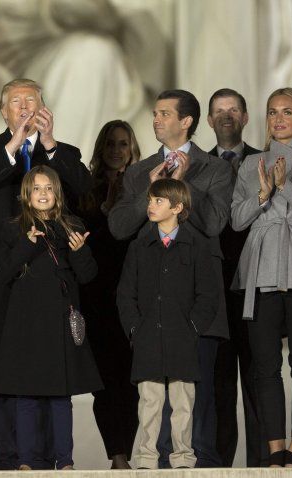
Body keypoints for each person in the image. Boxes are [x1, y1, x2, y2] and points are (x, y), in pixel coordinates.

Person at [0, 78, 92, 470]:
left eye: (30, 101)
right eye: (15, 101)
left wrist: (49, 144)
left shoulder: (61, 153)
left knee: (42, 363)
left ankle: (50, 456)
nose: (23, 106)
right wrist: (14, 145)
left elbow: (82, 189)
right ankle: (2, 457)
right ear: (3, 111)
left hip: (45, 281)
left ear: (44, 108)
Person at [108, 89, 231, 467]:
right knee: (153, 404)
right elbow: (118, 227)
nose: (156, 120)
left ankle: (200, 468)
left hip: (195, 310)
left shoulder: (215, 169)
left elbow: (213, 223)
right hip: (152, 311)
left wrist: (182, 185)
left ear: (187, 121)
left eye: (164, 114)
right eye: (155, 113)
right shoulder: (138, 171)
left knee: (197, 401)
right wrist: (150, 186)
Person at [231, 87, 292, 468]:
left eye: (287, 112)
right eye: (272, 112)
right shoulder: (249, 164)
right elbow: (237, 220)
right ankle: (274, 450)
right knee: (265, 366)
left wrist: (286, 186)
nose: (278, 118)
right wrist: (262, 194)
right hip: (260, 269)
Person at [0, 165, 102, 471]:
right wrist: (27, 244)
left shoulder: (72, 226)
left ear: (58, 193)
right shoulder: (13, 228)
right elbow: (1, 274)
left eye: (48, 188)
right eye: (37, 188)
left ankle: (64, 461)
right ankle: (26, 461)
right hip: (25, 323)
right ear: (26, 195)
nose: (43, 194)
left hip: (59, 322)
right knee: (26, 395)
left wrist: (81, 251)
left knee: (59, 396)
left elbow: (87, 275)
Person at [117, 178, 222, 469]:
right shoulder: (140, 247)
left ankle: (183, 458)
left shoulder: (196, 246)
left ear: (177, 207)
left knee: (183, 403)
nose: (151, 205)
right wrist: (135, 328)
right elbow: (126, 294)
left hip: (182, 338)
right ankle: (147, 459)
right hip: (148, 336)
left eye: (158, 201)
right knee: (149, 403)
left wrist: (193, 327)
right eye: (150, 200)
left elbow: (208, 294)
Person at [205, 88, 266, 467]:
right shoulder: (195, 165)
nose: (226, 116)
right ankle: (219, 469)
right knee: (218, 387)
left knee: (260, 383)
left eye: (234, 109)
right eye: (219, 111)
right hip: (213, 291)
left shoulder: (266, 161)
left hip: (257, 287)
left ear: (245, 117)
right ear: (209, 121)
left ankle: (262, 467)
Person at [77, 120, 142, 469]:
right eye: (111, 144)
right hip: (97, 297)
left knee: (131, 381)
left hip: (133, 295)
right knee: (104, 382)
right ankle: (116, 455)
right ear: (102, 149)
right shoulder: (87, 189)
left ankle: (127, 454)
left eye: (123, 144)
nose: (117, 151)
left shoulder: (143, 186)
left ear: (132, 148)